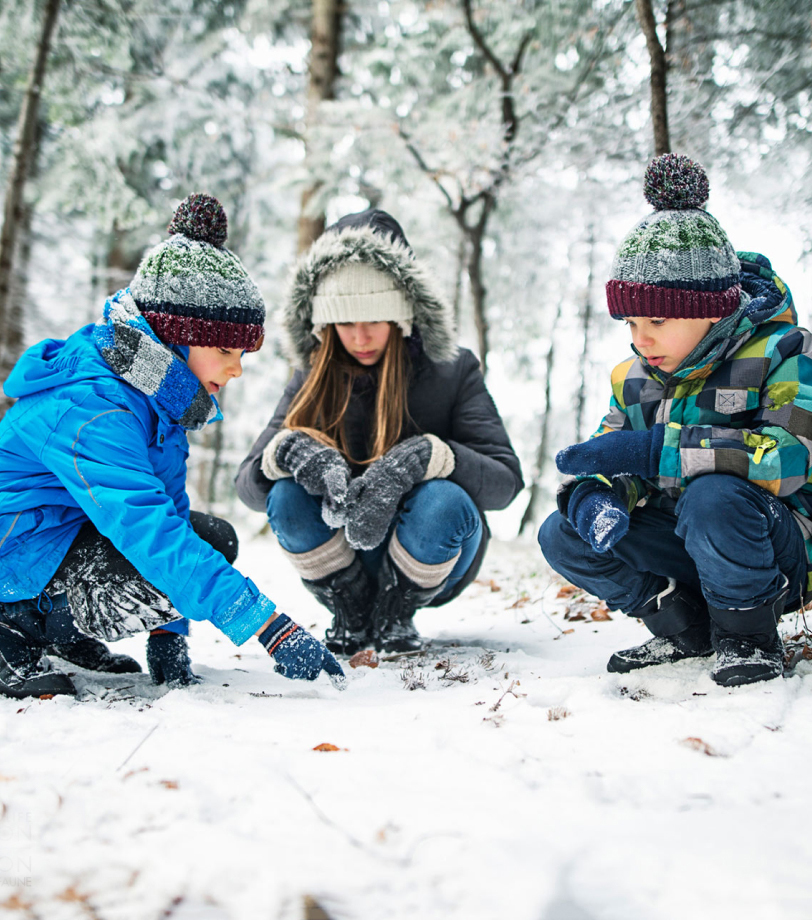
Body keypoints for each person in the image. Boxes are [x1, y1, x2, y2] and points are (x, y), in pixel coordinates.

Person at [0, 193, 344, 699]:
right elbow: (148, 531)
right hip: (14, 556)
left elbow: (171, 516)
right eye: (225, 350)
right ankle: (17, 628)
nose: (236, 368)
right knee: (164, 552)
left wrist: (169, 636)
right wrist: (270, 628)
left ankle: (57, 628)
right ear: (174, 337)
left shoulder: (157, 396)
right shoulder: (94, 408)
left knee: (212, 538)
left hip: (55, 547)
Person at [538, 153, 812, 688]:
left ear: (711, 307)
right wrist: (595, 494)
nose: (641, 337)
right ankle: (684, 626)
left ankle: (746, 636)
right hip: (687, 541)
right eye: (632, 321)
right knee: (562, 533)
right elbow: (610, 450)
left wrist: (655, 450)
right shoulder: (635, 376)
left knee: (715, 496)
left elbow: (790, 458)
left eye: (657, 320)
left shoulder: (783, 353)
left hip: (773, 548)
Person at [236, 209, 523, 654]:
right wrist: (287, 453)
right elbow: (250, 489)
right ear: (325, 323)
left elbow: (505, 484)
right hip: (340, 555)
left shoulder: (452, 369)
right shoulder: (313, 373)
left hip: (427, 549)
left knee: (444, 500)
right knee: (285, 494)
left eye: (375, 318)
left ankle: (396, 611)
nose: (361, 336)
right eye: (345, 322)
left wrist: (430, 457)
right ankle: (349, 609)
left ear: (402, 314)